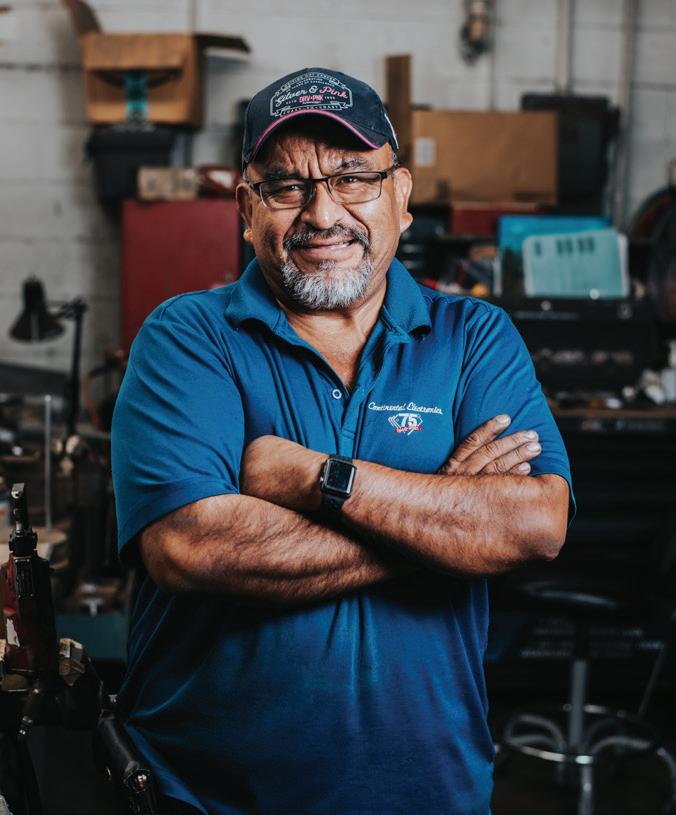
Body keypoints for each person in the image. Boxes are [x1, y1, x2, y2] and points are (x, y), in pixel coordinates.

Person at [111, 67, 574, 815]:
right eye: (286, 186)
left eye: (353, 178)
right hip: (207, 796)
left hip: (429, 793)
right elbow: (191, 547)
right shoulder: (188, 336)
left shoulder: (473, 337)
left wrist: (318, 478)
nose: (323, 213)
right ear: (246, 209)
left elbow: (536, 524)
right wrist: (445, 518)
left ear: (401, 195)